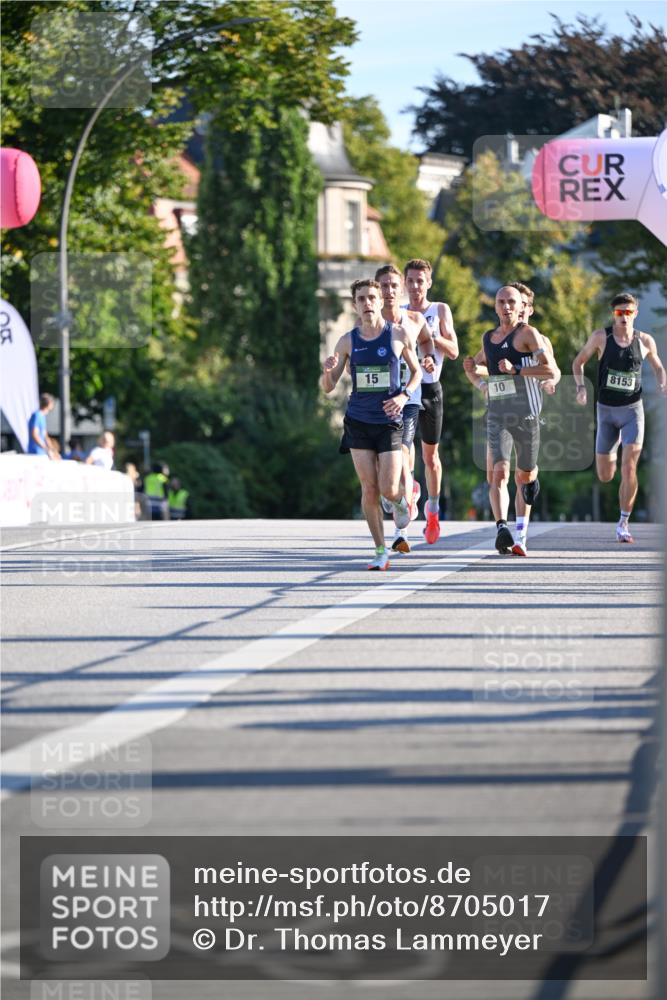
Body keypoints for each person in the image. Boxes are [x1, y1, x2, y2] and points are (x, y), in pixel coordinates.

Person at [321, 277, 421, 570]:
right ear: (355, 305)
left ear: (381, 301)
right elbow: (328, 387)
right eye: (361, 299)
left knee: (388, 489)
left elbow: (416, 373)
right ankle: (380, 550)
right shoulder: (347, 341)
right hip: (358, 421)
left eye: (371, 298)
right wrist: (327, 371)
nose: (367, 303)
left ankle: (400, 502)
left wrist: (403, 396)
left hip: (389, 421)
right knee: (369, 488)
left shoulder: (398, 334)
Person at [464, 282, 560, 555]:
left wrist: (519, 371)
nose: (507, 307)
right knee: (499, 471)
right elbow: (483, 368)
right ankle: (503, 529)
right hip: (497, 413)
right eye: (501, 302)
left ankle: (522, 530)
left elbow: (551, 370)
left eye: (513, 303)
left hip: (527, 414)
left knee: (524, 475)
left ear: (523, 308)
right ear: (495, 306)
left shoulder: (531, 335)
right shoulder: (489, 338)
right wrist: (478, 378)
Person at [572, 292, 667, 543]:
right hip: (606, 412)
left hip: (632, 411)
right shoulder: (600, 337)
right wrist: (581, 388)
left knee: (629, 466)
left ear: (635, 314)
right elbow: (578, 363)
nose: (624, 317)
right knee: (605, 475)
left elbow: (659, 367)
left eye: (628, 312)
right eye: (619, 312)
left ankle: (623, 523)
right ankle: (611, 451)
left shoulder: (645, 341)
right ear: (613, 314)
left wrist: (662, 383)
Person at [375, 264, 436, 554]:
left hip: (408, 399)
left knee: (402, 453)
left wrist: (428, 358)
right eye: (383, 286)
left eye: (393, 286)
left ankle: (401, 533)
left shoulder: (413, 319)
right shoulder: (369, 323)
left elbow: (426, 341)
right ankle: (404, 492)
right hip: (376, 401)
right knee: (382, 464)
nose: (388, 291)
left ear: (400, 289)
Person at [403, 258, 459, 543]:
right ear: (405, 283)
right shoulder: (399, 312)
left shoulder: (439, 310)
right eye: (411, 281)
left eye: (420, 281)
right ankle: (410, 488)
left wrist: (429, 336)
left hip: (431, 389)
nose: (415, 286)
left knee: (431, 458)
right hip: (406, 388)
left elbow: (454, 351)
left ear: (429, 283)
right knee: (404, 448)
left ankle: (433, 511)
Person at [27, 393, 55, 457]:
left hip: (41, 452)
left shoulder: (42, 416)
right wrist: (46, 448)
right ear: (49, 403)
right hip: (35, 452)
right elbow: (34, 435)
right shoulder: (36, 415)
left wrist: (52, 450)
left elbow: (45, 436)